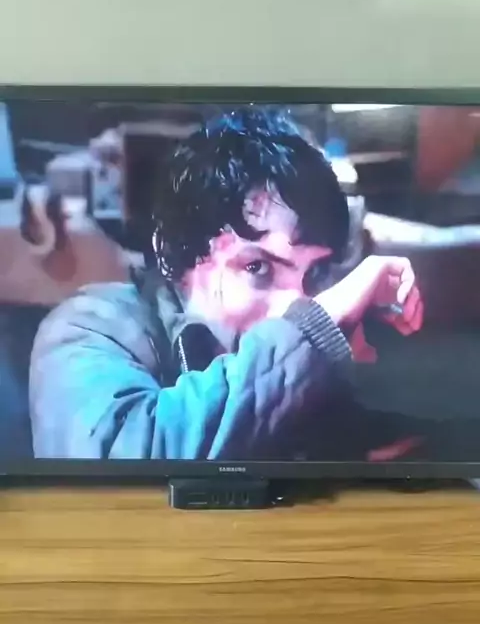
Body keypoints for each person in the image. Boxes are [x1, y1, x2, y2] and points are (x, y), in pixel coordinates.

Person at [29, 108, 423, 460]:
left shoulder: (300, 353)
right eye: (257, 267)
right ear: (175, 254)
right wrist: (317, 328)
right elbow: (128, 455)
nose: (295, 304)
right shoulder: (86, 329)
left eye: (313, 273)